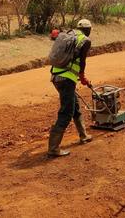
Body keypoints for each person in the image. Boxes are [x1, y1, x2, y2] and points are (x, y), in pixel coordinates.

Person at [48, 19, 94, 157]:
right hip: (66, 79)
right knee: (66, 113)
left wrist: (80, 78)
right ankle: (53, 149)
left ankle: (83, 135)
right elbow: (82, 61)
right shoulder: (85, 40)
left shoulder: (69, 34)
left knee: (75, 106)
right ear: (89, 29)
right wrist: (82, 76)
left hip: (56, 76)